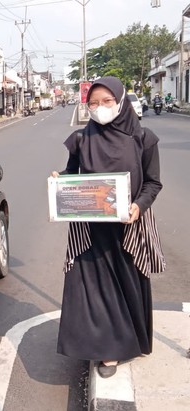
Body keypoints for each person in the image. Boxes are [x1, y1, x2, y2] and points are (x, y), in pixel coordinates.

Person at [50, 76, 165, 379]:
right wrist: (60, 180)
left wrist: (138, 206)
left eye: (106, 102)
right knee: (96, 289)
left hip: (129, 227)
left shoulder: (143, 138)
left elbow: (153, 183)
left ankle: (132, 340)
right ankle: (107, 348)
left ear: (121, 101)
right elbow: (71, 174)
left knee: (126, 285)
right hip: (91, 230)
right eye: (93, 103)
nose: (100, 108)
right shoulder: (81, 139)